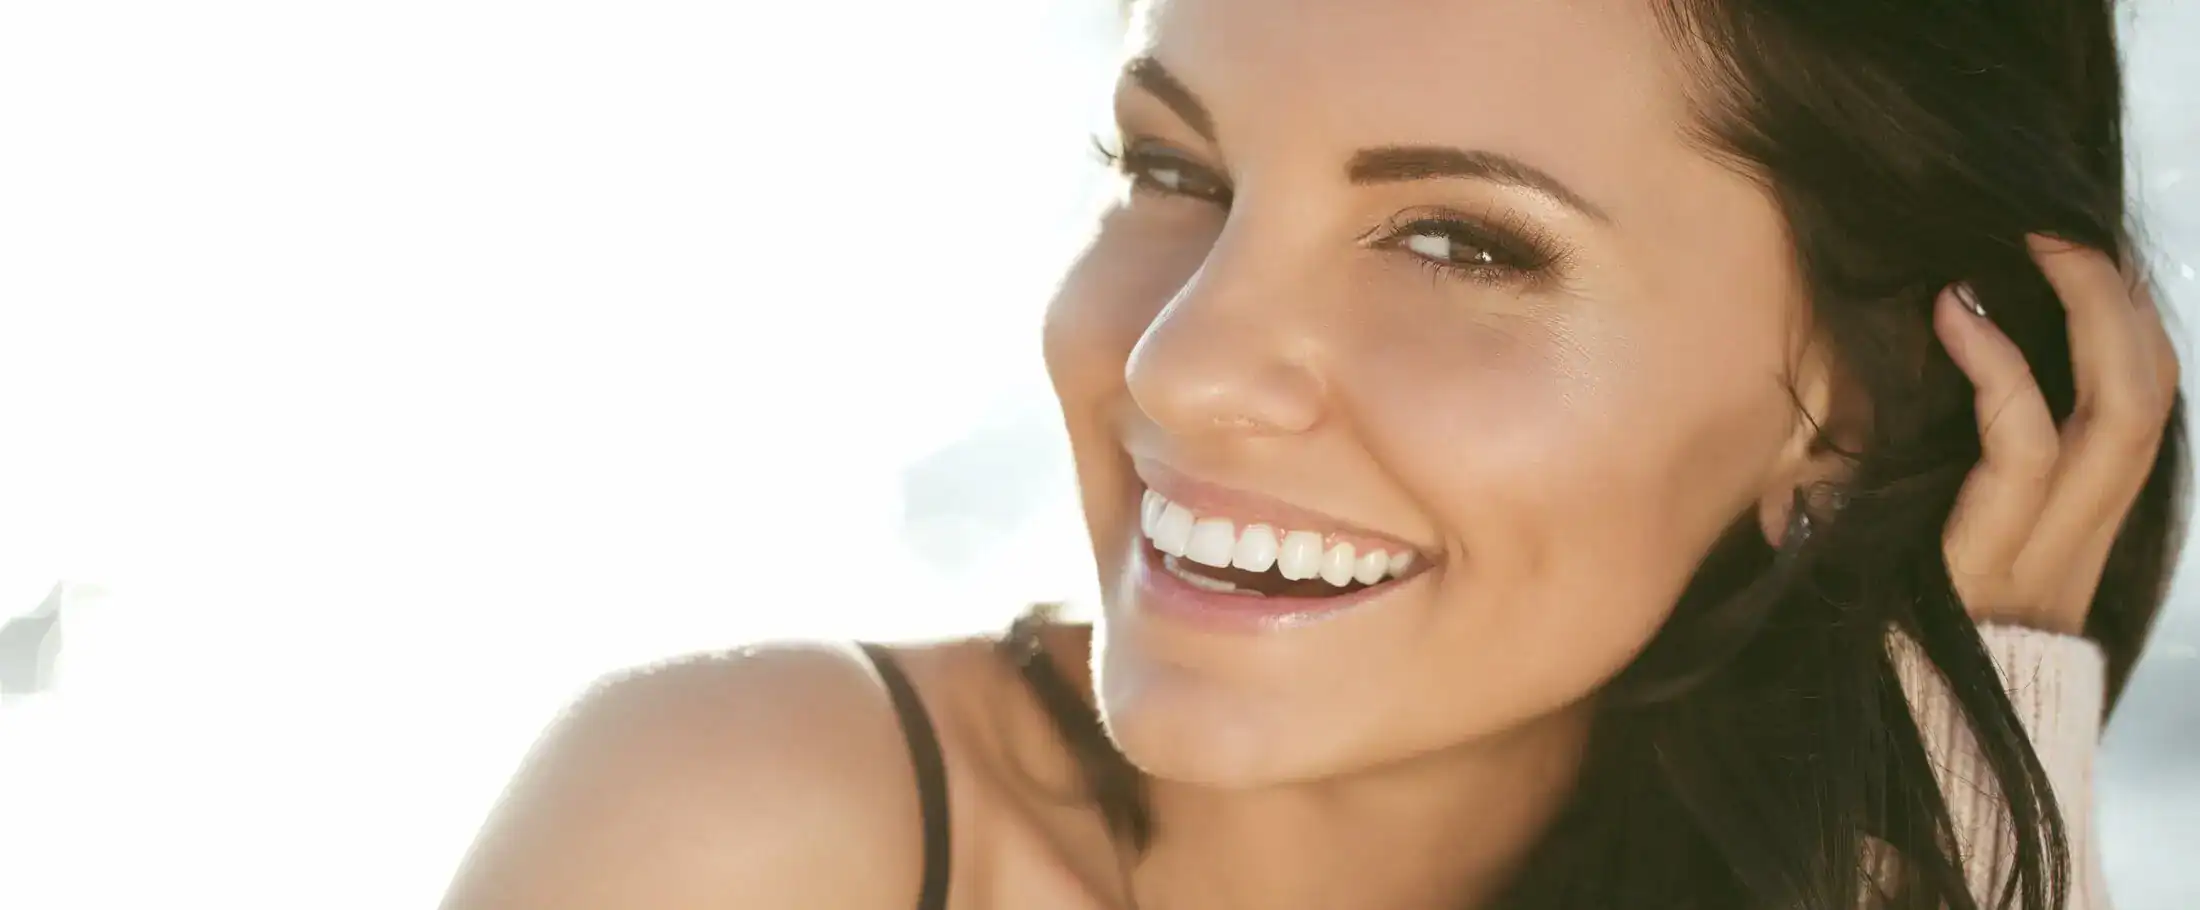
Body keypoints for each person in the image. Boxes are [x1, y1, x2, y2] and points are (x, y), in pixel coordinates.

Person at [439, 0, 2183, 907]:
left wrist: (1962, 776)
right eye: (1168, 170)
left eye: (1461, 244)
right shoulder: (752, 838)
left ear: (1868, 403)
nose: (1179, 364)